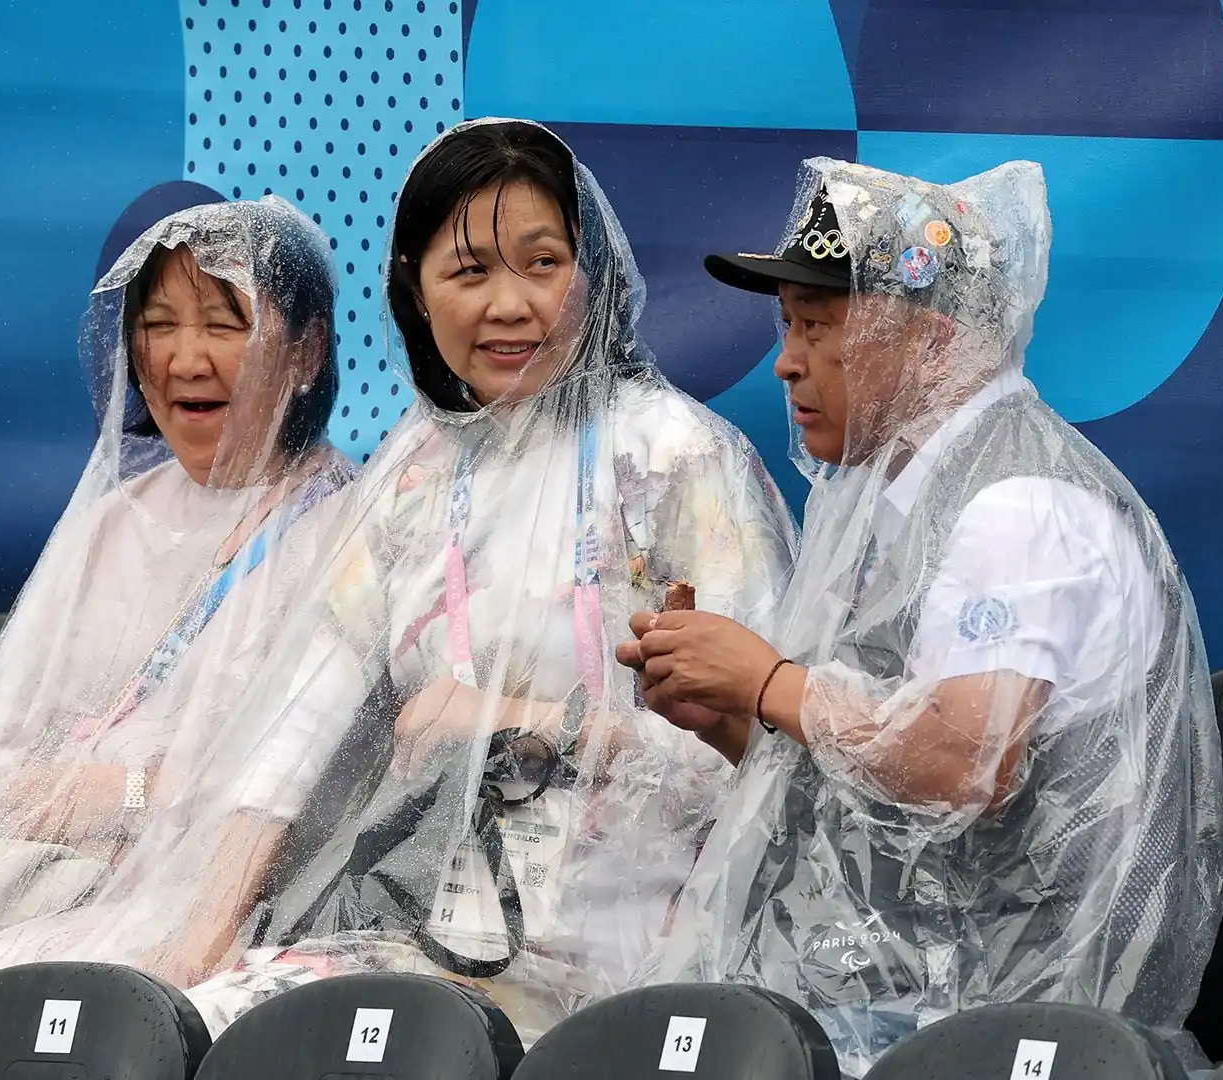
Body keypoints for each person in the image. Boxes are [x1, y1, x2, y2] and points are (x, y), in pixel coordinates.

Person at [142, 118, 797, 1041]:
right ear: (414, 287)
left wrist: (500, 719)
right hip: (431, 918)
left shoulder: (678, 459)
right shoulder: (411, 481)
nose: (510, 305)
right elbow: (294, 728)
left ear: (594, 271)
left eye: (541, 263)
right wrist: (204, 935)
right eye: (469, 271)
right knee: (225, 1023)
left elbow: (755, 752)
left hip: (639, 930)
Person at [623, 158, 1223, 1075]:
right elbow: (879, 795)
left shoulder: (1015, 506)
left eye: (818, 326)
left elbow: (962, 763)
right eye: (787, 323)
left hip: (1020, 1025)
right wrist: (738, 723)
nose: (786, 360)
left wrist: (771, 684)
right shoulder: (898, 495)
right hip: (905, 996)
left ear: (933, 341)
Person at [0, 198, 357, 1020]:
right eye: (158, 324)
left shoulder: (346, 529)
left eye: (223, 324)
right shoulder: (112, 521)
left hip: (194, 902)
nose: (184, 359)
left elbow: (274, 794)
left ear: (304, 353)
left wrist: (111, 796)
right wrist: (50, 795)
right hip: (24, 871)